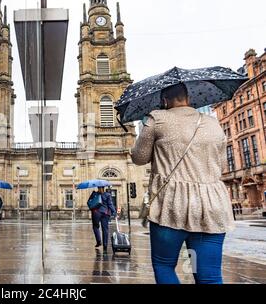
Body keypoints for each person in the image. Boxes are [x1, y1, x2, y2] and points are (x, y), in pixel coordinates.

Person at [131, 83, 235, 284]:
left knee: (165, 265)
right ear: (189, 98)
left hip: (172, 206)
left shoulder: (157, 118)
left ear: (164, 101)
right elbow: (221, 165)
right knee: (208, 275)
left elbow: (139, 157)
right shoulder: (212, 123)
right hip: (210, 207)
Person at [89, 186, 116, 252]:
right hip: (105, 213)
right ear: (104, 188)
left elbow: (89, 202)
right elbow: (110, 204)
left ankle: (99, 241)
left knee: (95, 227)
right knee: (105, 229)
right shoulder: (107, 195)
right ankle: (105, 244)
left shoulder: (94, 194)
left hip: (96, 213)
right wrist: (114, 212)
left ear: (98, 188)